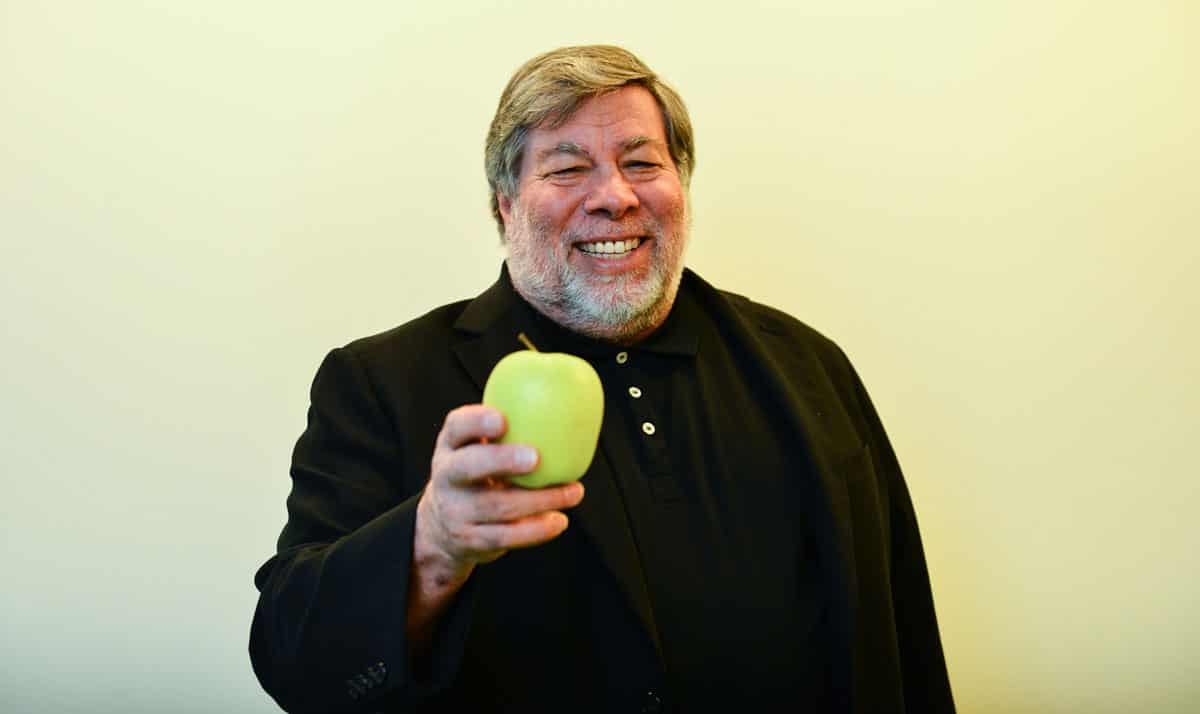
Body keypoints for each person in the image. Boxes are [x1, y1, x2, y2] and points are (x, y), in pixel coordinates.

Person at [249, 44, 955, 713]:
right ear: (505, 203)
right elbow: (294, 659)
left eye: (642, 162)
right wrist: (432, 543)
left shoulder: (808, 367)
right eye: (566, 168)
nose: (614, 196)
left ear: (681, 185)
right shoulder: (381, 382)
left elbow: (901, 633)